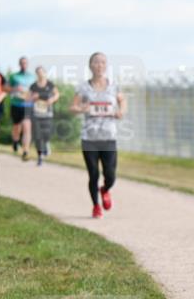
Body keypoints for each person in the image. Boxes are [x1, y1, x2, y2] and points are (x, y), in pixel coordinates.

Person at [70, 52, 126, 219]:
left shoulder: (114, 85)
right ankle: (96, 206)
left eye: (102, 62)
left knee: (110, 174)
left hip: (109, 137)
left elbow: (122, 102)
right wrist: (82, 108)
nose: (99, 65)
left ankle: (105, 189)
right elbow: (72, 107)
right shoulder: (83, 87)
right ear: (91, 65)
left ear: (106, 65)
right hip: (89, 138)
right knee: (93, 174)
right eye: (96, 62)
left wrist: (120, 112)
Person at [28, 66, 59, 166]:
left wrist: (52, 99)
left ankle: (46, 144)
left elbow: (57, 94)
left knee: (46, 134)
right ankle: (40, 157)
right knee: (37, 136)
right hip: (36, 113)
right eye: (38, 73)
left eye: (42, 72)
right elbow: (27, 98)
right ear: (36, 74)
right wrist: (33, 97)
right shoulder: (33, 86)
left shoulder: (50, 84)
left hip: (48, 113)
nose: (40, 74)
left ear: (45, 73)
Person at [8, 57, 36, 161]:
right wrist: (15, 88)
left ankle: (26, 151)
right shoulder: (13, 76)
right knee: (17, 127)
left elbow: (35, 91)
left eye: (25, 63)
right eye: (22, 63)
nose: (24, 65)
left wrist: (33, 96)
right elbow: (5, 88)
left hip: (28, 106)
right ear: (19, 64)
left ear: (27, 64)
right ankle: (15, 140)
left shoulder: (32, 77)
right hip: (16, 105)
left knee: (27, 127)